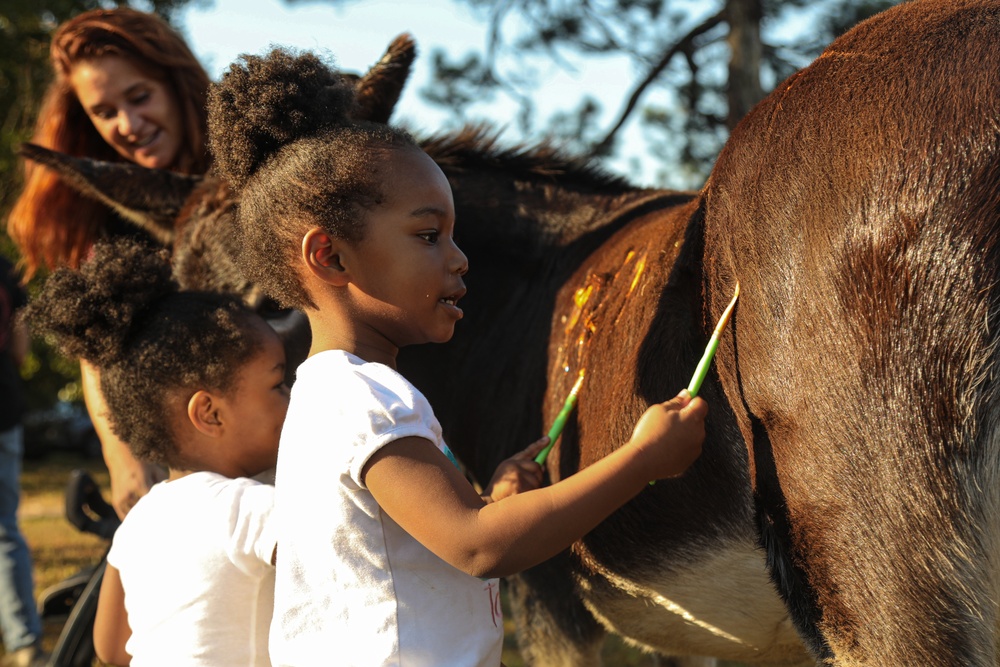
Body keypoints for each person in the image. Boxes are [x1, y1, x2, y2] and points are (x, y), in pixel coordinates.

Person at [207, 48, 708, 667]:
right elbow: (478, 550)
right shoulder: (366, 400)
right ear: (331, 258)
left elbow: (428, 537)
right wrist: (642, 458)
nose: (459, 257)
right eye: (427, 235)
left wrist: (494, 500)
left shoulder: (327, 393)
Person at [27, 237, 285, 666]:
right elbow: (353, 554)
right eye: (278, 384)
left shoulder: (140, 519)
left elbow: (111, 648)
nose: (292, 397)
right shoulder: (250, 507)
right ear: (210, 413)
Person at [6, 7, 212, 518]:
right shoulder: (102, 215)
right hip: (176, 455)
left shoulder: (250, 175)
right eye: (104, 111)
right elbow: (94, 348)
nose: (129, 124)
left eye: (140, 97)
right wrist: (123, 463)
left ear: (177, 84)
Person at [0, 257, 43, 667]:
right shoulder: (7, 271)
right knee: (4, 531)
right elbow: (20, 346)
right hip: (4, 409)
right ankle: (25, 641)